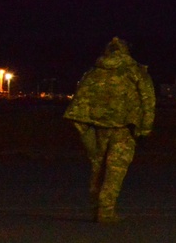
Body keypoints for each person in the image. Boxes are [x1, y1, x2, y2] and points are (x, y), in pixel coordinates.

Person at [63, 37, 155, 224]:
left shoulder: (94, 72)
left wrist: (83, 125)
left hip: (97, 126)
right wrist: (145, 127)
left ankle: (97, 208)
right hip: (123, 127)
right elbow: (148, 99)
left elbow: (80, 98)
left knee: (98, 167)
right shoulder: (135, 71)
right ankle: (106, 212)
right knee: (116, 169)